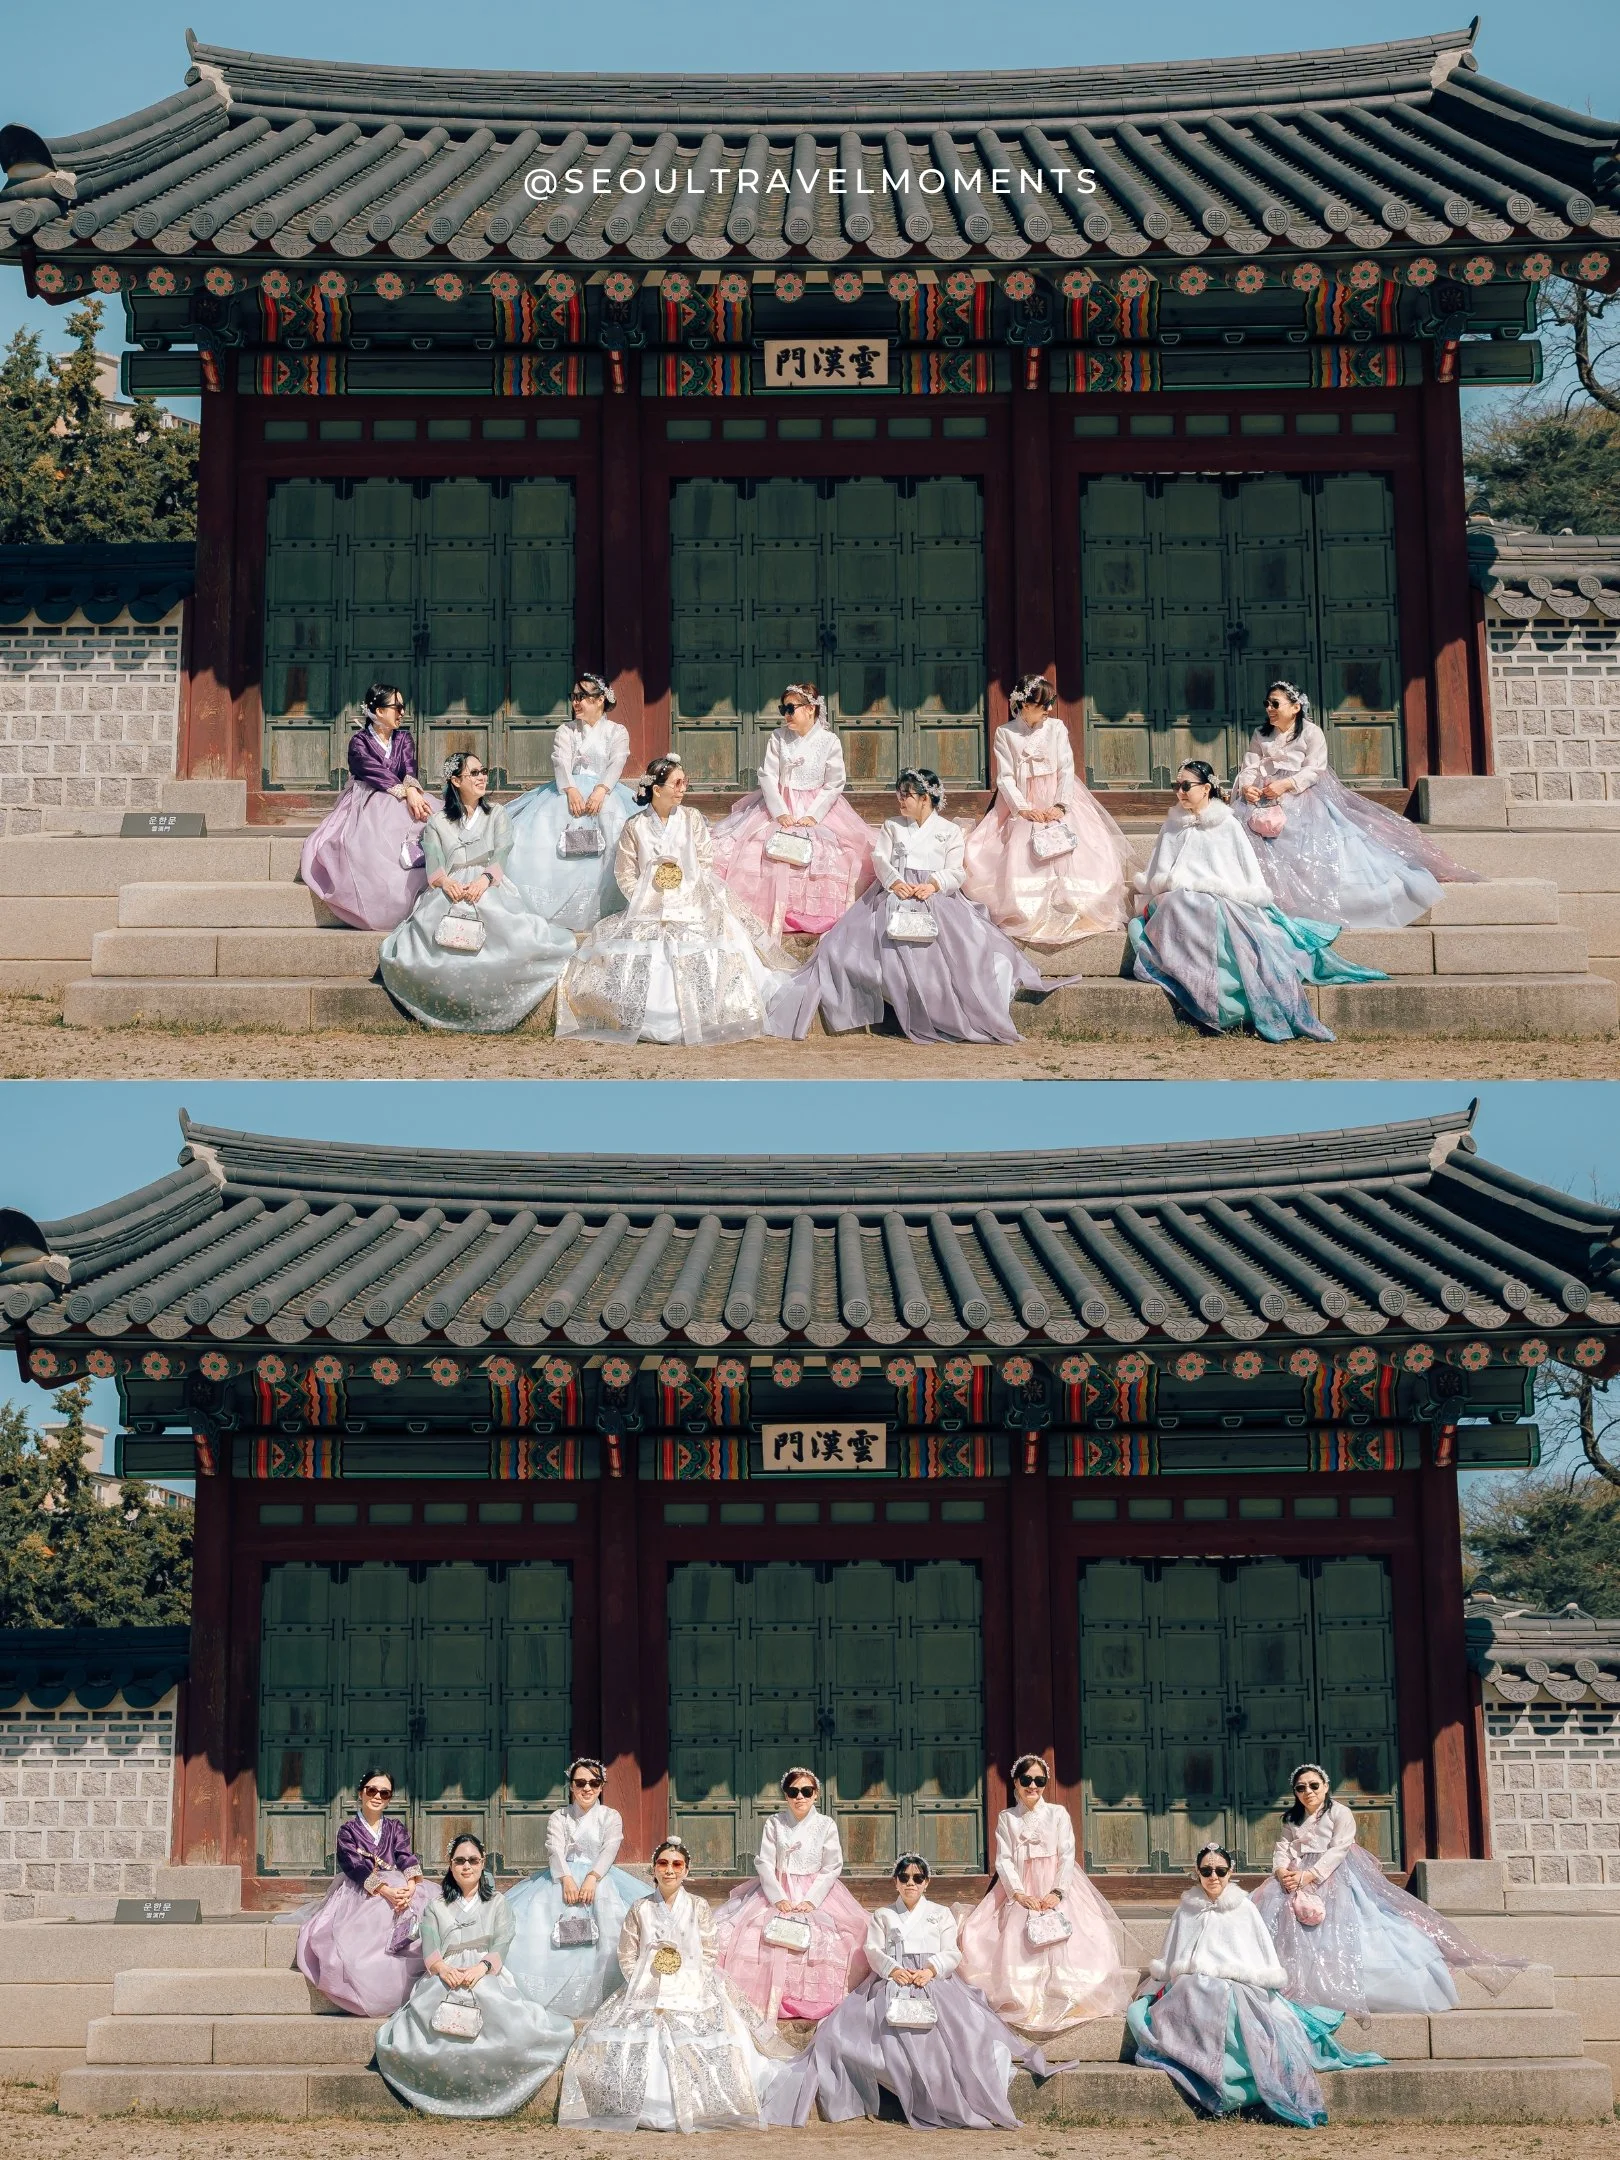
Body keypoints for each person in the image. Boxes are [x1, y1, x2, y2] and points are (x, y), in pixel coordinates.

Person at [767, 769, 1053, 1045]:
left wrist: (934, 884)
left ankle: (949, 1008)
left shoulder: (949, 831)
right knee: (841, 950)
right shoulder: (892, 826)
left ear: (925, 798)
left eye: (907, 795)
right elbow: (881, 858)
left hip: (935, 897)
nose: (901, 800)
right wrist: (894, 882)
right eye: (899, 795)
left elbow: (956, 871)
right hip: (896, 892)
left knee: (966, 951)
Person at [769, 1852, 1049, 2130]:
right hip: (893, 1980)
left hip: (932, 1981)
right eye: (904, 1878)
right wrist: (891, 1969)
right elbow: (873, 1949)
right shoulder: (883, 1915)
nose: (910, 1883)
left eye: (917, 1878)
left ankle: (948, 2094)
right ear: (896, 1882)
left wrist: (931, 1969)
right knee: (836, 2034)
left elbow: (952, 1952)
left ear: (926, 1882)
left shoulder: (940, 1914)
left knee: (965, 2034)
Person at [1127, 1842, 1384, 2127]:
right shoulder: (1186, 1910)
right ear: (1197, 1873)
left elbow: (1260, 1959)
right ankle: (1207, 2067)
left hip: (1237, 1983)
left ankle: (1234, 2076)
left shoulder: (1244, 1909)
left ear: (1230, 1872)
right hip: (1191, 1984)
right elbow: (1171, 1958)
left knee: (1226, 1999)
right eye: (1206, 1871)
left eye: (1220, 1871)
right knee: (1191, 1990)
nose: (1213, 1877)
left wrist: (1229, 1978)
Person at [1129, 761, 1386, 1042]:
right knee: (1177, 905)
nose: (1180, 791)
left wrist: (1224, 893)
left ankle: (1224, 995)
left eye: (1186, 786)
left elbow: (1245, 872)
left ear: (1206, 788)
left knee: (1208, 910)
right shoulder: (1172, 824)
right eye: (1176, 786)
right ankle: (1201, 982)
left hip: (1220, 897)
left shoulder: (1227, 824)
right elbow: (1156, 873)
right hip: (1176, 898)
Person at [559, 1836, 800, 2133]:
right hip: (648, 1987)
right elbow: (627, 1953)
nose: (669, 1870)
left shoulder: (698, 1906)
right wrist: (642, 1982)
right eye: (663, 1863)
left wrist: (690, 1981)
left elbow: (709, 1951)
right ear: (654, 1869)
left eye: (676, 1864)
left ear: (686, 1870)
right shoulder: (640, 1908)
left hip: (693, 1985)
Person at [1252, 1761, 1527, 2016]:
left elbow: (1340, 1848)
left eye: (1314, 1785)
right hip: (1295, 1873)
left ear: (1325, 1786)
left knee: (1343, 1921)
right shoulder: (1291, 1818)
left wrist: (1310, 1875)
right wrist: (1282, 1872)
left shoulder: (1339, 1813)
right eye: (1301, 1788)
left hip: (1332, 1873)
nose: (1308, 1792)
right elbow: (1282, 1848)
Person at [555, 753, 792, 1046]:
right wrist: (647, 900)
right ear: (657, 788)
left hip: (692, 901)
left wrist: (684, 896)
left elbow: (704, 862)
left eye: (684, 782)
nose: (683, 789)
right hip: (649, 906)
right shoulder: (635, 826)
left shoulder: (692, 819)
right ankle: (650, 1015)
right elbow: (625, 873)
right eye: (677, 783)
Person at [1232, 681, 1480, 929]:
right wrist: (1247, 787)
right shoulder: (1261, 734)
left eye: (1275, 704)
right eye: (1267, 703)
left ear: (1295, 707)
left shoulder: (1311, 732)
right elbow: (1250, 765)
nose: (1269, 708)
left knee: (1300, 835)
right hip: (1263, 794)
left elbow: (1315, 769)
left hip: (1300, 794)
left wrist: (1286, 785)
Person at [374, 1833, 574, 2118]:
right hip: (447, 1971)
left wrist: (482, 1968)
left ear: (482, 1863)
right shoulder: (436, 1906)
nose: (466, 1866)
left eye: (472, 1860)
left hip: (485, 1969)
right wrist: (443, 1969)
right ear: (450, 1865)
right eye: (459, 1861)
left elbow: (502, 1942)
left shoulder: (498, 1902)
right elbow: (430, 1948)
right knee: (435, 2004)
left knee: (491, 1996)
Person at [379, 751, 575, 1032]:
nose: (482, 777)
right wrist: (446, 883)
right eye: (474, 773)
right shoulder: (437, 821)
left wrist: (485, 880)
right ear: (456, 781)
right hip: (450, 886)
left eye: (483, 771)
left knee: (507, 925)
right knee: (427, 937)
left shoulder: (497, 814)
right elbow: (434, 863)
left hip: (488, 884)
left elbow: (502, 852)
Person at [956, 1753, 1133, 2034]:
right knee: (1003, 1935)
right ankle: (1023, 1994)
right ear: (1016, 1781)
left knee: (1076, 1934)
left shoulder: (1058, 1814)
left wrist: (1058, 1892)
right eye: (1027, 1779)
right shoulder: (1007, 1818)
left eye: (1039, 1781)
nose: (1033, 1786)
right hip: (1020, 1884)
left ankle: (1067, 1991)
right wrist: (1018, 1894)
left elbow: (1067, 1855)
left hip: (1055, 1883)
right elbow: (1004, 1860)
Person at [961, 675, 1134, 946]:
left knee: (1078, 847)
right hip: (1023, 799)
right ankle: (1028, 908)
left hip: (1057, 795)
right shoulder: (1005, 733)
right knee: (1019, 849)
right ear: (1025, 704)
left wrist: (1061, 805)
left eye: (1050, 703)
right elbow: (1006, 777)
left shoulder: (1056, 728)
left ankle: (1075, 904)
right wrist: (1023, 809)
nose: (1049, 709)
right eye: (1043, 704)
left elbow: (1066, 768)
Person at [708, 683, 875, 938]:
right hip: (779, 801)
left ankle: (811, 912)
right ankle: (769, 911)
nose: (786, 715)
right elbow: (767, 775)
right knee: (752, 847)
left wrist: (813, 815)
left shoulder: (829, 741)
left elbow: (835, 782)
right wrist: (779, 811)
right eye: (783, 709)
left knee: (831, 851)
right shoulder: (778, 737)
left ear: (810, 709)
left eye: (791, 708)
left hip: (818, 805)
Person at [713, 1767, 870, 2022]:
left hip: (816, 1889)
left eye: (806, 1791)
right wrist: (778, 1897)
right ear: (786, 1795)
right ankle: (766, 1998)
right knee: (745, 1934)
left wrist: (811, 1900)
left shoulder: (826, 1825)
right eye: (793, 1791)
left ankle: (812, 1998)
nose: (800, 1797)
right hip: (777, 1886)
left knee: (833, 1936)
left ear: (816, 1794)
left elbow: (832, 1866)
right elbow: (765, 1863)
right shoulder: (774, 1823)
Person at [503, 1756, 652, 2016]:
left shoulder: (610, 1816)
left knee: (614, 1922)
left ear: (601, 1786)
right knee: (539, 1923)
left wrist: (593, 1877)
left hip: (601, 1877)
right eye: (580, 1782)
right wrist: (566, 1878)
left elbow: (610, 1847)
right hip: (562, 1878)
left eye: (594, 1783)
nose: (587, 1788)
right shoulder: (559, 1817)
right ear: (571, 1785)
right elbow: (554, 1848)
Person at [293, 1766, 435, 2017]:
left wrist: (411, 1887)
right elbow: (354, 1865)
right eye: (372, 1790)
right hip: (361, 1887)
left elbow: (404, 1856)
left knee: (427, 1910)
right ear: (361, 1793)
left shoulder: (395, 1827)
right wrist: (385, 1891)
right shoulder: (347, 1830)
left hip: (399, 1883)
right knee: (372, 1917)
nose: (378, 1796)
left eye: (385, 1793)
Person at [504, 673, 638, 932]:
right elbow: (561, 761)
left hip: (605, 792)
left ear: (600, 700)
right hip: (568, 791)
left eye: (582, 697)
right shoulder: (566, 730)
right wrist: (570, 789)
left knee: (615, 836)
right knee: (545, 838)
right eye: (573, 697)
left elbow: (617, 761)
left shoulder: (616, 732)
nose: (575, 702)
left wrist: (601, 790)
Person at [298, 684, 432, 931]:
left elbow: (409, 768)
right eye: (397, 707)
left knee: (426, 814)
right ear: (379, 711)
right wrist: (404, 792)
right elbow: (372, 771)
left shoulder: (403, 738)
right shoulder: (359, 741)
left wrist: (412, 790)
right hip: (366, 798)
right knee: (363, 840)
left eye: (403, 707)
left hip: (402, 796)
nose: (402, 712)